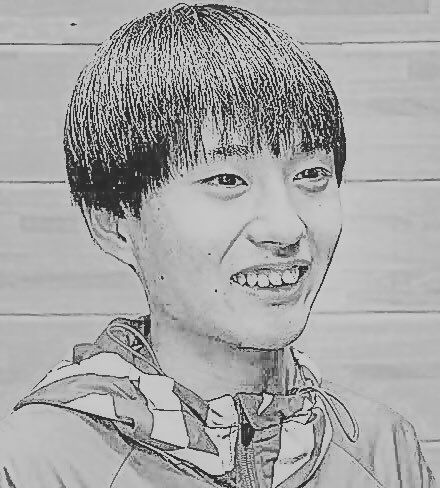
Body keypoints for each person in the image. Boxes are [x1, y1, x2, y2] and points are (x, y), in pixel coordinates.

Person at [0, 3, 436, 487]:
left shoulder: (385, 448)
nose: (285, 227)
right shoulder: (34, 464)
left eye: (312, 174)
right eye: (227, 179)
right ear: (115, 223)